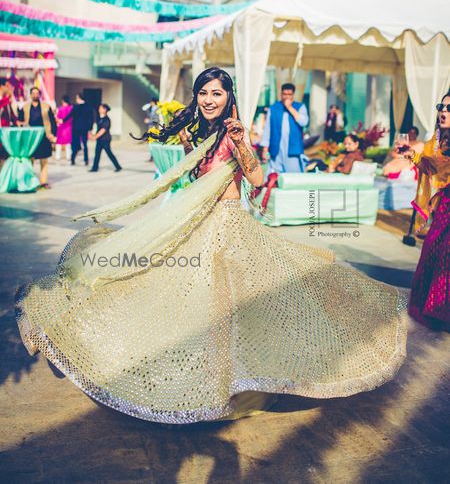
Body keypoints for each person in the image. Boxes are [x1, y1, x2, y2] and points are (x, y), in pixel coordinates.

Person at [16, 67, 407, 425]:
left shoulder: (235, 131)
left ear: (228, 96)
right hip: (200, 227)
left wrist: (240, 143)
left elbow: (255, 178)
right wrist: (188, 148)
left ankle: (233, 382)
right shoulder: (199, 133)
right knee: (189, 305)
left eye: (216, 93)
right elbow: (195, 184)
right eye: (203, 92)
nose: (208, 100)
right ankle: (204, 378)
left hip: (233, 229)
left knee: (235, 308)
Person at [403, 92, 450, 331]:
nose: (443, 111)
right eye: (442, 106)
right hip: (445, 204)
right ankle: (433, 309)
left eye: (449, 108)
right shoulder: (439, 139)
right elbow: (432, 168)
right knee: (433, 249)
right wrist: (414, 156)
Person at [260, 83, 309, 173]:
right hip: (276, 151)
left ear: (293, 95)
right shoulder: (273, 108)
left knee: (294, 179)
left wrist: (289, 107)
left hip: (293, 151)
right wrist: (265, 150)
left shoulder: (300, 107)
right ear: (281, 94)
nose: (287, 97)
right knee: (274, 179)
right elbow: (267, 130)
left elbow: (304, 122)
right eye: (285, 94)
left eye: (289, 94)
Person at [21, 87, 57, 189]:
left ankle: (43, 182)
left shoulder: (46, 107)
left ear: (39, 95)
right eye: (33, 93)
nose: (35, 95)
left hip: (44, 137)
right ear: (30, 95)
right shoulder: (25, 107)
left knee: (44, 160)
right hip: (30, 138)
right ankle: (30, 181)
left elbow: (53, 121)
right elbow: (19, 121)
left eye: (37, 93)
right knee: (30, 160)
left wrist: (53, 134)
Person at [63, 93, 95, 166]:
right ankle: (86, 160)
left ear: (79, 98)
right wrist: (90, 128)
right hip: (85, 128)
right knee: (85, 144)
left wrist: (63, 120)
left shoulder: (75, 107)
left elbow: (70, 115)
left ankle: (73, 159)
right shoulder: (88, 107)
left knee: (75, 144)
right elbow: (91, 119)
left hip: (76, 128)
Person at [88, 103, 122, 173]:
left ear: (105, 110)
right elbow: (97, 129)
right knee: (97, 153)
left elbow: (103, 130)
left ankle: (118, 166)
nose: (99, 109)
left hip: (105, 139)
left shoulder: (107, 119)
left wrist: (95, 137)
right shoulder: (99, 118)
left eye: (101, 108)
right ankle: (95, 167)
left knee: (109, 153)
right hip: (99, 139)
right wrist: (92, 134)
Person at [0, 77, 18, 166]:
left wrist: (16, 122)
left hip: (6, 133)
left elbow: (11, 115)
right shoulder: (4, 100)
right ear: (2, 87)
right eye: (7, 86)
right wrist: (9, 97)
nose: (10, 88)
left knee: (5, 157)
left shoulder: (6, 100)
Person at [55, 95, 73, 162]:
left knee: (59, 142)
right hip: (69, 127)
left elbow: (57, 117)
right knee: (68, 143)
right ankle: (68, 156)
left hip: (61, 127)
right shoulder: (71, 108)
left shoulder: (60, 108)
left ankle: (58, 156)